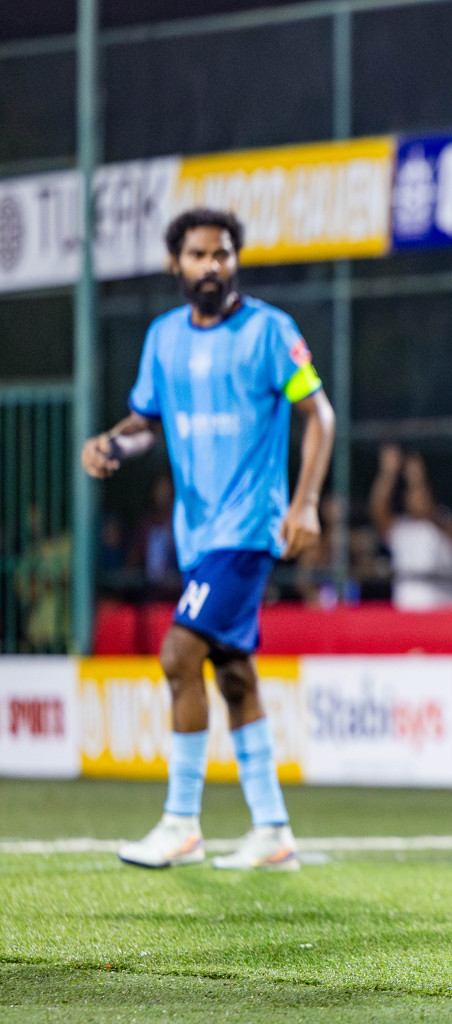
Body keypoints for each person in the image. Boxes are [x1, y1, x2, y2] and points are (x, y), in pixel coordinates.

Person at [81, 208, 335, 871]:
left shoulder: (271, 332)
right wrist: (113, 442)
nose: (211, 266)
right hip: (197, 534)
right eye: (198, 255)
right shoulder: (164, 338)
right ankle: (274, 831)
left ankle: (180, 823)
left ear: (235, 261)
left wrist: (305, 503)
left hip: (250, 527)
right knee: (233, 676)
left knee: (176, 654)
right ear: (177, 264)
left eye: (222, 254)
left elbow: (320, 415)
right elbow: (145, 422)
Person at [369, 444, 452, 611]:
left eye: (419, 490)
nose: (415, 496)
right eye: (410, 492)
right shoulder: (402, 529)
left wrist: (417, 477)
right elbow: (378, 510)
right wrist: (388, 473)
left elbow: (431, 514)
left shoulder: (443, 523)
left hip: (441, 612)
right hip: (406, 615)